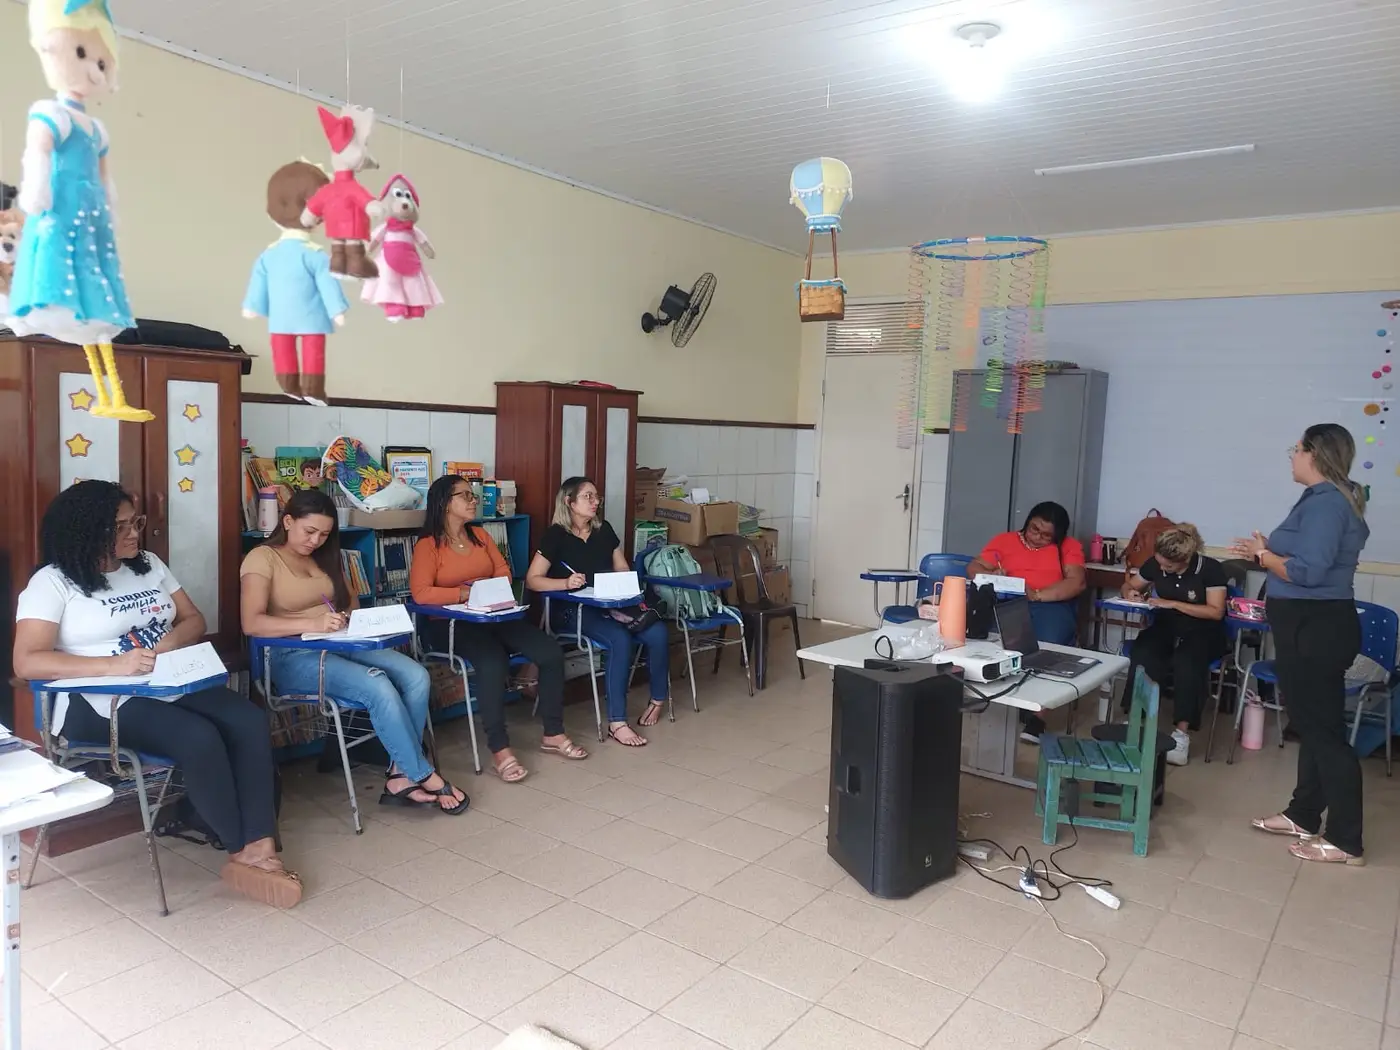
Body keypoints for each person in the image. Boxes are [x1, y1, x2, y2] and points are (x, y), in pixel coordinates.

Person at [12, 481, 300, 907]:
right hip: (96, 701)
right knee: (197, 737)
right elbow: (27, 662)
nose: (135, 533)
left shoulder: (148, 564)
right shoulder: (53, 582)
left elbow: (193, 619)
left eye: (137, 522)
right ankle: (240, 849)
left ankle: (261, 843)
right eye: (121, 526)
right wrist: (113, 665)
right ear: (86, 530)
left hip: (165, 680)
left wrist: (169, 643)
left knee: (248, 719)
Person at [240, 489, 468, 815]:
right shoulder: (262, 558)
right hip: (289, 655)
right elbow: (251, 623)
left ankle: (400, 774)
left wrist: (344, 617)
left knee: (416, 675)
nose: (316, 541)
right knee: (377, 684)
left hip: (340, 642)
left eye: (324, 534)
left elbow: (352, 603)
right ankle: (422, 773)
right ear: (287, 522)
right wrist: (311, 622)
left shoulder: (324, 556)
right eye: (309, 531)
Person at [1232, 423, 1369, 866]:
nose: (1292, 456)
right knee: (1311, 725)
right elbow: (1308, 558)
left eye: (1297, 448)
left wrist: (1265, 556)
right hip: (1308, 627)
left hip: (1317, 628)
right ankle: (1304, 814)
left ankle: (1346, 840)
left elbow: (1308, 571)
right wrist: (1267, 551)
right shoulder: (1321, 499)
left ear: (1315, 454)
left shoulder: (1328, 503)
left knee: (1324, 733)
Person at [410, 475, 587, 782]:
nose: (473, 500)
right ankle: (500, 750)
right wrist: (466, 593)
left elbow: (504, 573)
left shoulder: (480, 536)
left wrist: (482, 591)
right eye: (465, 495)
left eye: (473, 495)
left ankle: (553, 734)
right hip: (450, 626)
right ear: (444, 503)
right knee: (493, 662)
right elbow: (422, 593)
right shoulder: (428, 546)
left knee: (549, 651)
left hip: (493, 616)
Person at [525, 477, 670, 747]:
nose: (595, 502)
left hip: (609, 604)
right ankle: (617, 722)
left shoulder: (604, 530)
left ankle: (658, 699)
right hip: (572, 609)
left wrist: (621, 586)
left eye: (596, 497)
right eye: (588, 497)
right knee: (619, 639)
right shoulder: (556, 535)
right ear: (569, 502)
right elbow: (533, 580)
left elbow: (622, 568)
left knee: (658, 632)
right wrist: (565, 583)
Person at [968, 501, 1087, 741]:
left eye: (1046, 535)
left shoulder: (1069, 546)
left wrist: (1037, 595)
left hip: (1050, 605)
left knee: (1047, 644)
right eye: (1034, 529)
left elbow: (1077, 582)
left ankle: (1038, 715)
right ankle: (1004, 699)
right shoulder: (1005, 540)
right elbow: (974, 567)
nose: (1037, 537)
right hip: (1009, 603)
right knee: (995, 641)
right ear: (1027, 522)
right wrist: (991, 575)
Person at [1121, 524, 1228, 766]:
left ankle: (1181, 734)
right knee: (1144, 652)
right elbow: (1130, 585)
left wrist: (1174, 604)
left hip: (1203, 629)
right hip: (1167, 625)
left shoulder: (1210, 569)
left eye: (1168, 567)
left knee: (1187, 662)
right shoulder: (1156, 563)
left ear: (1185, 560)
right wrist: (1129, 593)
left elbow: (1215, 612)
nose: (1162, 569)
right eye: (1160, 564)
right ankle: (1136, 720)